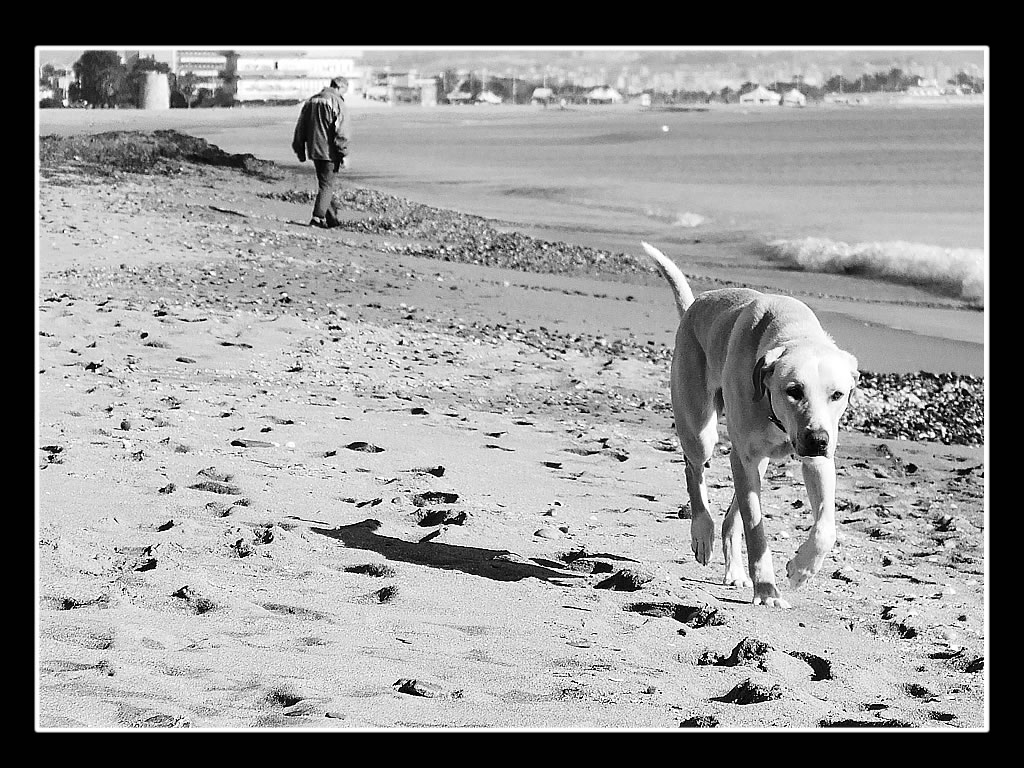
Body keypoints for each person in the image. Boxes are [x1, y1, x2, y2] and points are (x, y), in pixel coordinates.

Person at [292, 76, 351, 228]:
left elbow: (301, 126)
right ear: (339, 87)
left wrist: (299, 148)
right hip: (329, 151)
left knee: (325, 183)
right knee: (327, 184)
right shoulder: (337, 102)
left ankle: (332, 219)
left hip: (314, 149)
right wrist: (343, 152)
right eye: (345, 90)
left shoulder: (312, 100)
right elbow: (342, 131)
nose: (345, 93)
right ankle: (317, 218)